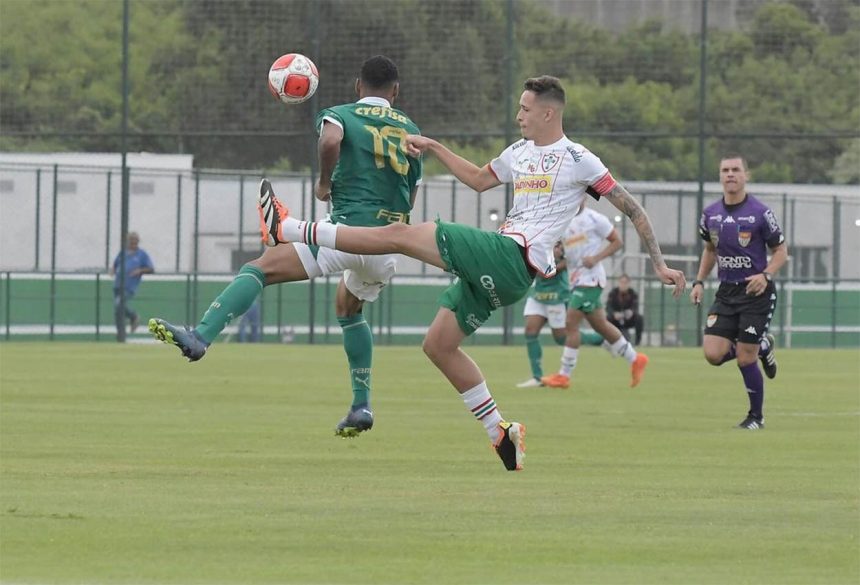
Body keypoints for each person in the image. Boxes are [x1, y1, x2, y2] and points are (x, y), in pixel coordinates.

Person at [258, 75, 686, 470]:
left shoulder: (579, 159)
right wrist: (436, 148)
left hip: (511, 256)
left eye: (525, 108)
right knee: (439, 345)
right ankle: (500, 432)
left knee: (401, 234)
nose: (518, 114)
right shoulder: (518, 153)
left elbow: (632, 209)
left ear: (548, 113)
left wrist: (660, 263)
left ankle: (289, 228)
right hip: (509, 272)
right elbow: (480, 180)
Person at [149, 55, 422, 437]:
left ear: (358, 87)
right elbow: (410, 192)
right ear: (396, 91)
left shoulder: (340, 113)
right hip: (387, 243)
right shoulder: (411, 129)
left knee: (259, 268)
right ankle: (361, 406)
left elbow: (330, 139)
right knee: (348, 306)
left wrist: (325, 182)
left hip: (344, 232)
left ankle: (201, 336)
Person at [691, 155, 785, 430]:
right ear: (720, 176)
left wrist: (766, 274)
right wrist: (698, 281)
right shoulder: (710, 214)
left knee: (745, 357)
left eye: (736, 170)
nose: (730, 174)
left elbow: (781, 251)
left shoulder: (760, 213)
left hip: (757, 293)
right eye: (725, 170)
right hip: (726, 293)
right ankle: (762, 347)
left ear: (746, 175)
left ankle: (756, 417)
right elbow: (710, 250)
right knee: (712, 354)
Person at [542, 203, 649, 389]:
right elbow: (571, 255)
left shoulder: (595, 219)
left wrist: (596, 258)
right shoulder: (564, 220)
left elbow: (617, 242)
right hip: (576, 280)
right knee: (601, 326)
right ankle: (636, 359)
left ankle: (563, 375)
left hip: (590, 280)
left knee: (571, 324)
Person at [516, 241, 602, 388]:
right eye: (553, 246)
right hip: (538, 297)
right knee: (530, 331)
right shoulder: (541, 244)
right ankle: (537, 378)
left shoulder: (565, 258)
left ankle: (602, 339)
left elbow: (546, 273)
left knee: (562, 338)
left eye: (557, 247)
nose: (554, 249)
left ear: (562, 250)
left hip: (557, 298)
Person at [111, 231, 154, 340]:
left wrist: (139, 270)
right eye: (131, 241)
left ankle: (133, 316)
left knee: (119, 304)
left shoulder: (141, 254)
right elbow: (115, 264)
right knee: (117, 310)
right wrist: (113, 270)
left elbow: (151, 268)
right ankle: (120, 333)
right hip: (118, 285)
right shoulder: (123, 252)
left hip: (129, 286)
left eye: (135, 241)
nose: (133, 243)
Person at [606, 274, 644, 345]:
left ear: (628, 283)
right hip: (615, 320)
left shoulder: (633, 294)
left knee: (639, 318)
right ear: (619, 282)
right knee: (606, 319)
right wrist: (614, 314)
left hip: (628, 320)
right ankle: (607, 341)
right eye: (621, 282)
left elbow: (635, 307)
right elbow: (608, 307)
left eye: (625, 282)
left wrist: (630, 312)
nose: (623, 285)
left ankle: (637, 342)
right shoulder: (613, 293)